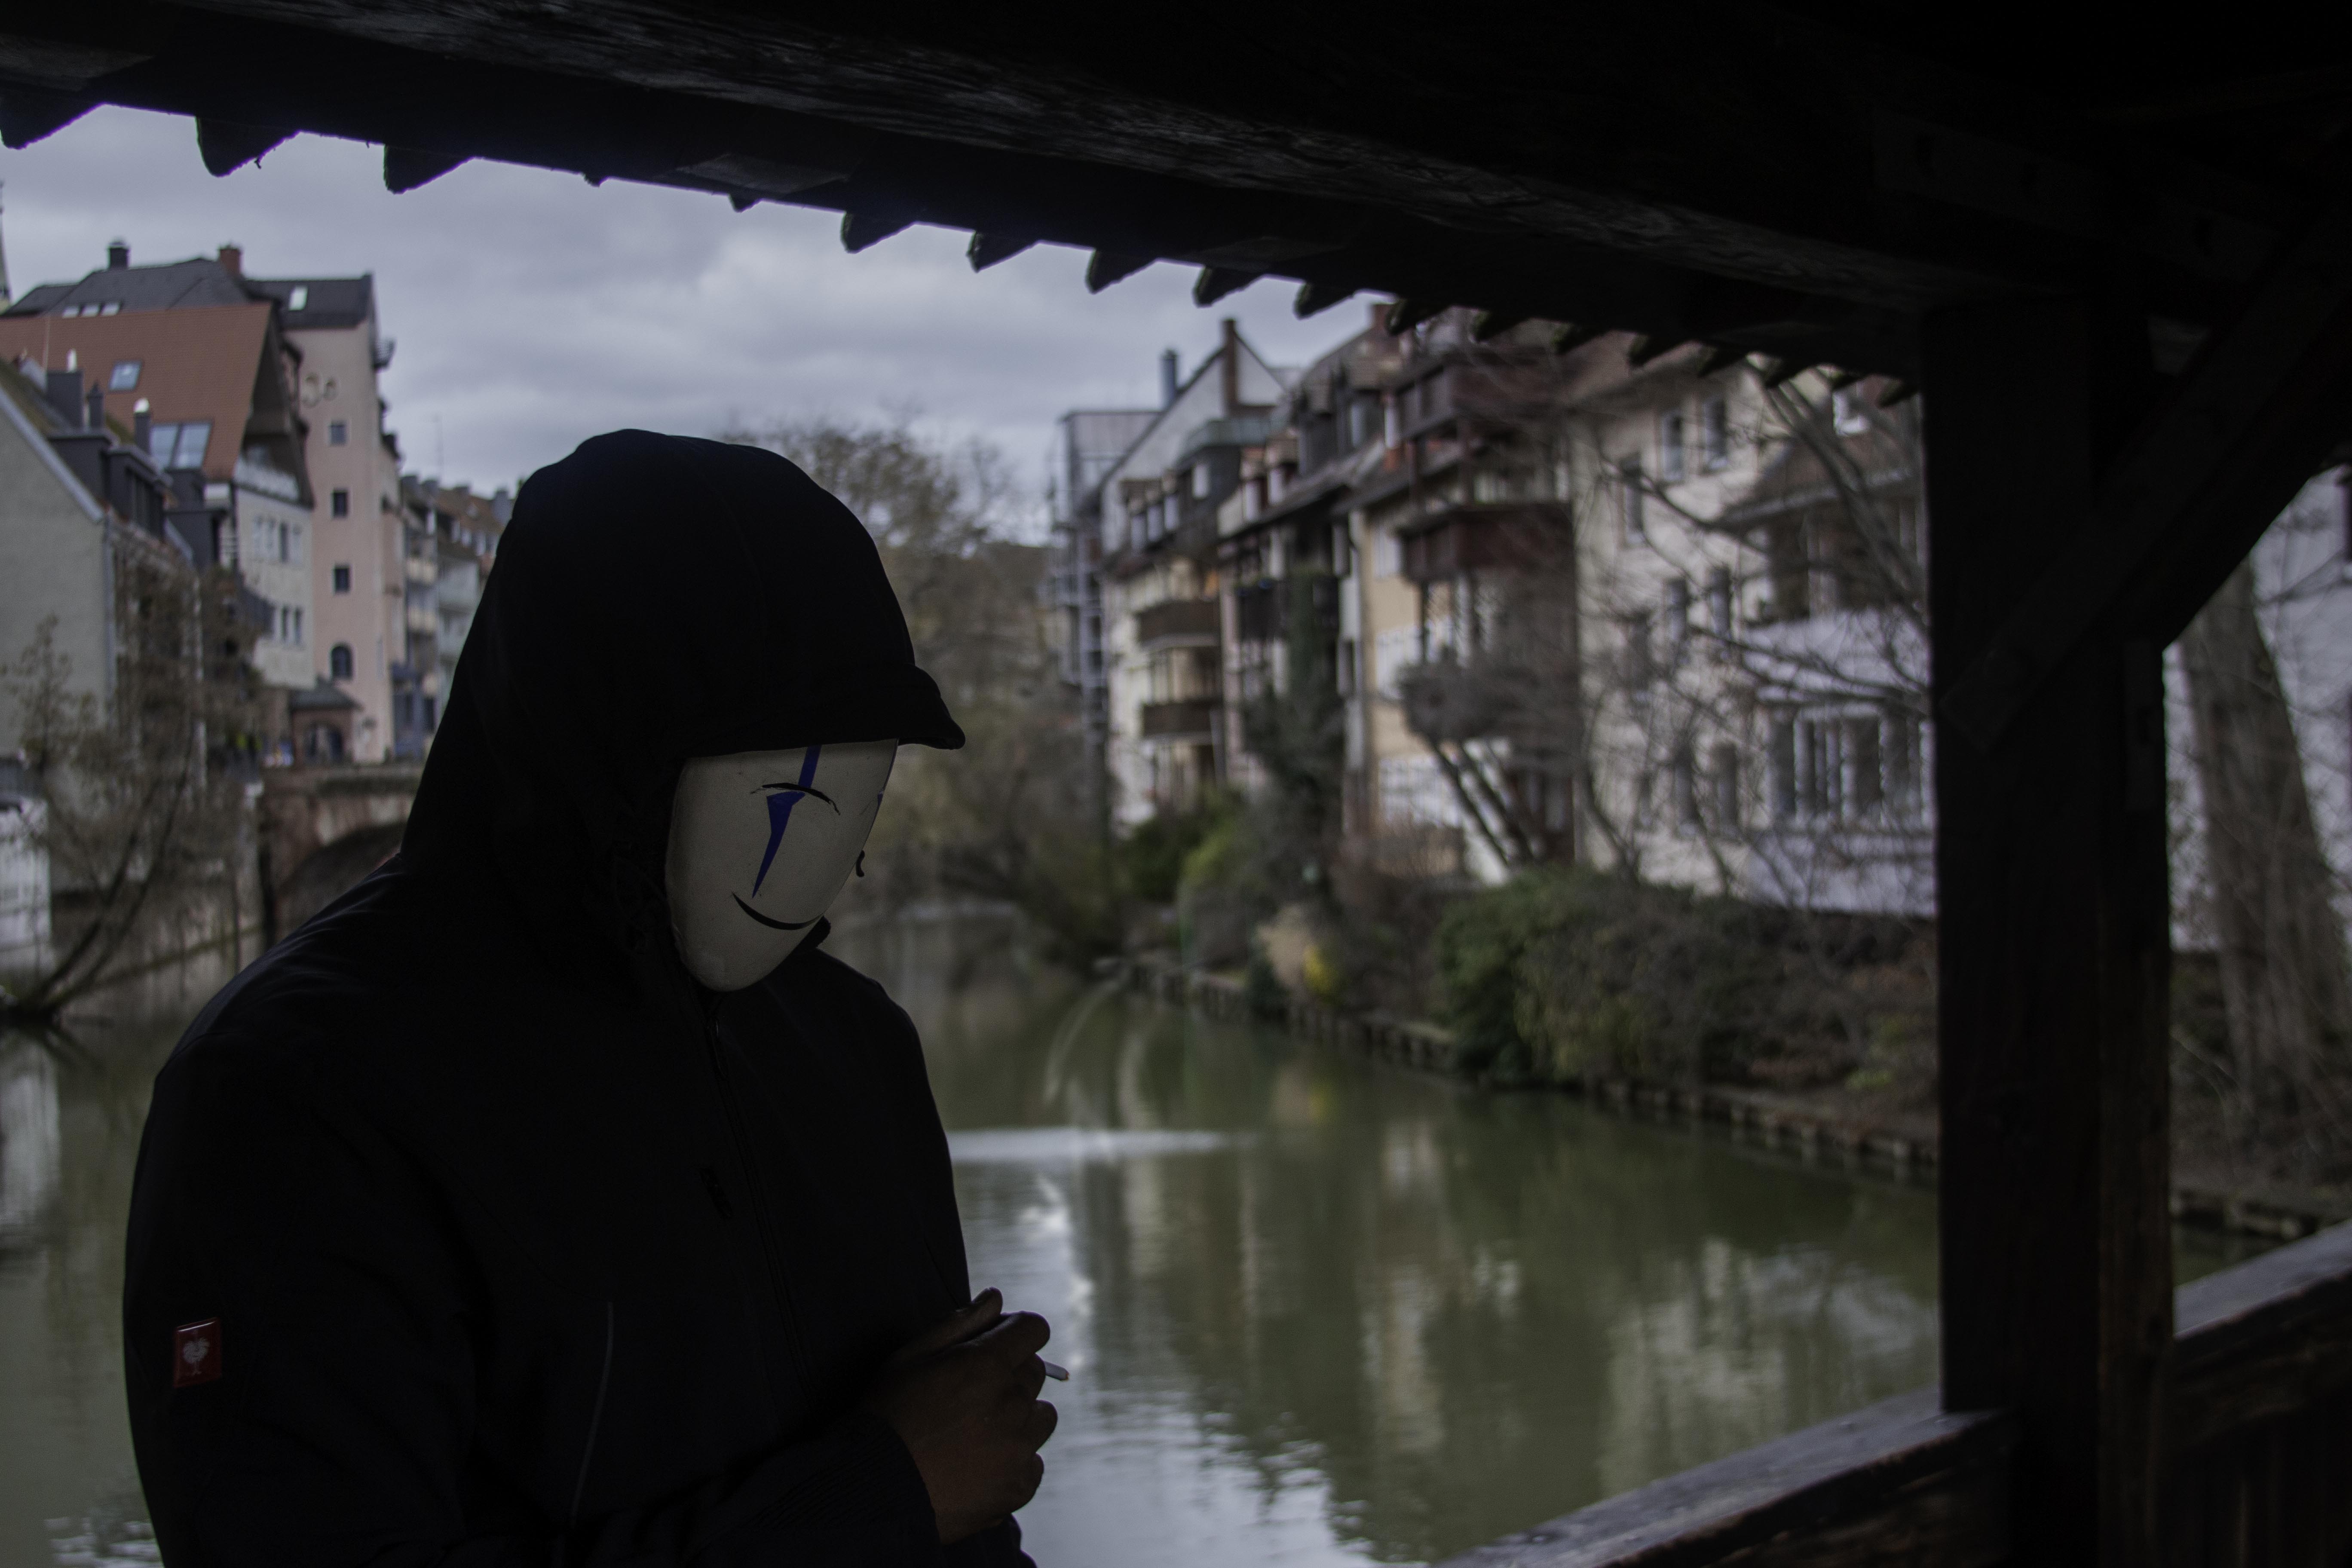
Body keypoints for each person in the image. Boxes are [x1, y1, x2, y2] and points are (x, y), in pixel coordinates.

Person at [122, 432, 1055, 1565]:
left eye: (855, 775)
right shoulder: (294, 1090)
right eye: (765, 771)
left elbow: (968, 1517)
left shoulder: (854, 1048)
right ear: (600, 744)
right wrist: (880, 1494)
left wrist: (928, 1487)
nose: (806, 841)